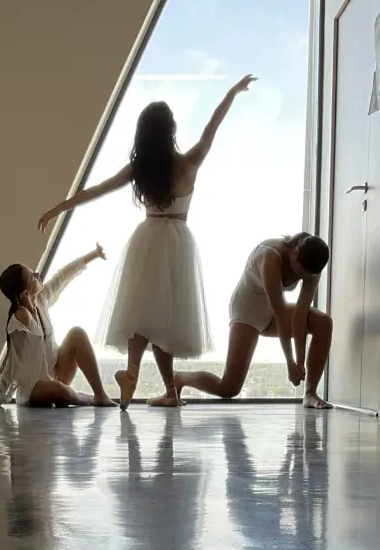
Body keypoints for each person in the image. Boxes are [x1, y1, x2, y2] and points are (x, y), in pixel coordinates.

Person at [37, 74, 258, 408]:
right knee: (164, 319)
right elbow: (213, 126)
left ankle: (135, 374)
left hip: (147, 237)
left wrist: (57, 209)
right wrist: (232, 92)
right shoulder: (188, 162)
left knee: (142, 314)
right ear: (171, 131)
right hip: (178, 241)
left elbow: (94, 191)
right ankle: (165, 390)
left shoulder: (139, 169)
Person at [174, 233, 334, 409]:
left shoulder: (313, 268)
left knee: (323, 323)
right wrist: (290, 363)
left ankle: (310, 394)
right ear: (295, 253)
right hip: (248, 309)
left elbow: (300, 315)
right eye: (298, 272)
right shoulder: (270, 257)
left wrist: (300, 363)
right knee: (228, 388)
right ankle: (179, 378)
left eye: (305, 275)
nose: (300, 277)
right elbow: (281, 315)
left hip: (272, 311)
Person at [0, 244, 116, 408]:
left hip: (55, 376)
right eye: (32, 277)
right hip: (35, 388)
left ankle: (100, 394)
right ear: (26, 293)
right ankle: (85, 398)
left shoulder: (41, 300)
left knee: (77, 333)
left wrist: (93, 255)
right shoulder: (20, 318)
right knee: (60, 389)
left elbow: (63, 276)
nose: (37, 275)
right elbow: (13, 362)